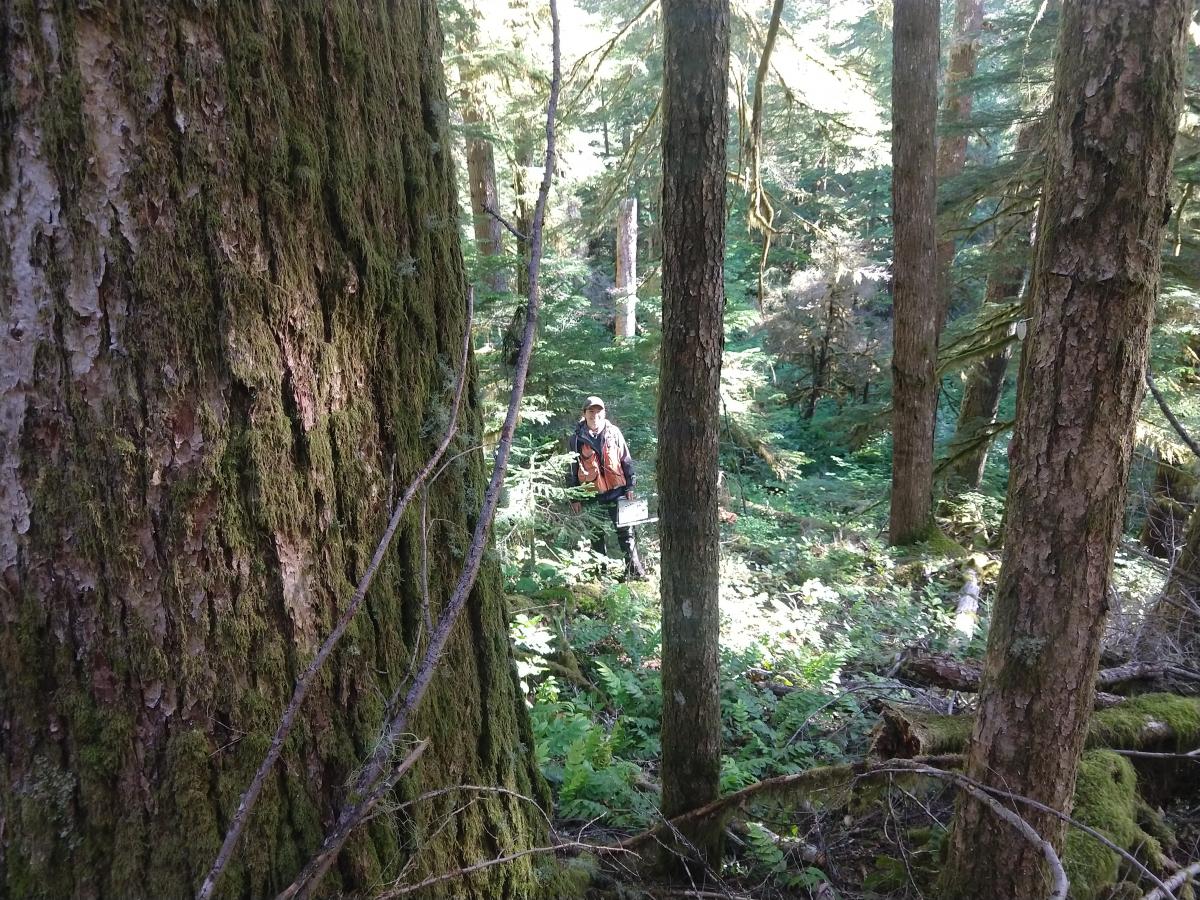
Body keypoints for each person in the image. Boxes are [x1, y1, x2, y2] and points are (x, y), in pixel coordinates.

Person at [566, 396, 648, 580]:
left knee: (626, 532)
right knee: (596, 535)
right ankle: (600, 575)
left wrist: (630, 486)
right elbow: (571, 469)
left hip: (617, 491)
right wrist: (574, 497)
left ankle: (635, 572)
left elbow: (625, 459)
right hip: (590, 493)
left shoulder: (614, 432)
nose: (595, 415)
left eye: (598, 411)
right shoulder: (576, 439)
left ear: (604, 413)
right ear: (584, 414)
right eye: (591, 411)